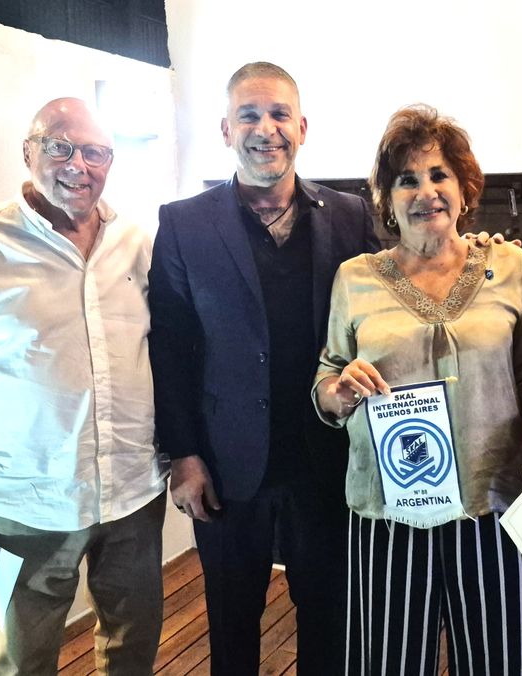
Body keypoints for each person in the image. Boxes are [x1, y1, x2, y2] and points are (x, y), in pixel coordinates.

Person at [0, 98, 167, 675]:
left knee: (134, 649)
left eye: (96, 152)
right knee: (24, 661)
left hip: (133, 491)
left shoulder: (137, 243)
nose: (80, 165)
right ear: (29, 152)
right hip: (27, 504)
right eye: (60, 147)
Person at [313, 104, 522, 675]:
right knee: (389, 662)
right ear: (386, 196)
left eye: (438, 175)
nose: (425, 191)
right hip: (388, 511)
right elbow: (327, 379)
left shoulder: (506, 265)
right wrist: (341, 389)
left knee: (498, 661)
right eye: (406, 179)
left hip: (490, 507)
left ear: (462, 187)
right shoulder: (355, 277)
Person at [148, 62, 380, 675]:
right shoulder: (182, 223)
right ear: (226, 129)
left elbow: (390, 309)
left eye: (279, 114)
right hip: (226, 466)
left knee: (331, 620)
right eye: (249, 114)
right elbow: (168, 348)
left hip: (326, 462)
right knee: (230, 624)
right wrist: (184, 456)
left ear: (302, 127)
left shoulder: (352, 216)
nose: (265, 128)